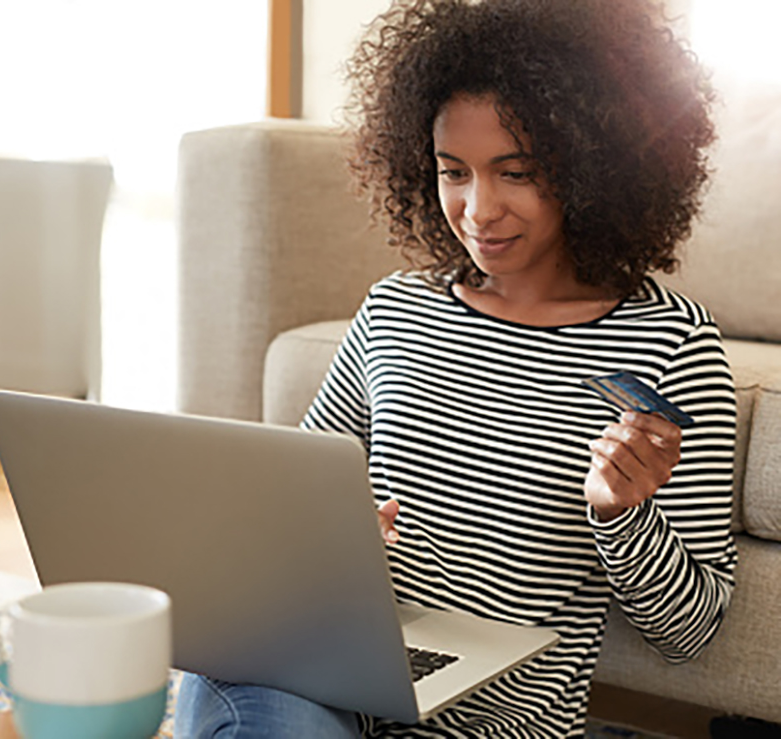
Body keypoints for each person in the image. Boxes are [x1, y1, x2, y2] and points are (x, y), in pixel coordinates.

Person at [175, 0, 738, 736]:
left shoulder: (670, 344)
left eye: (516, 172)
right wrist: (332, 538)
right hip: (326, 683)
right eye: (453, 172)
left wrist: (621, 515)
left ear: (598, 165)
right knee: (235, 672)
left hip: (489, 724)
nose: (478, 210)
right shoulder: (394, 311)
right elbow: (293, 505)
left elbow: (688, 633)